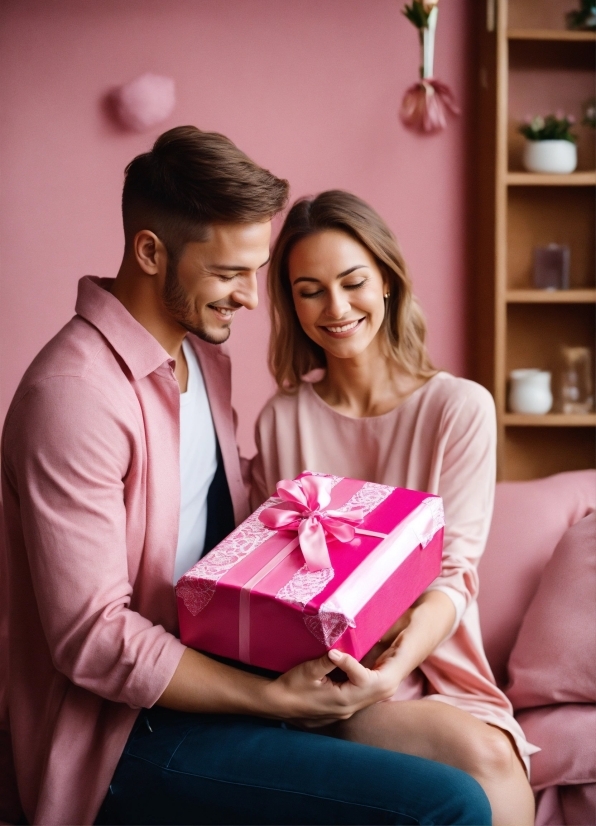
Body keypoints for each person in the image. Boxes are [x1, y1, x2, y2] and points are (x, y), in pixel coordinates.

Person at [0, 128, 492, 826]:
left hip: (229, 682)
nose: (254, 300)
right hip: (125, 733)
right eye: (230, 273)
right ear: (149, 251)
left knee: (467, 767)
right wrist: (272, 699)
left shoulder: (205, 363)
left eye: (258, 272)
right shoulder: (75, 395)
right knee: (448, 805)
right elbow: (93, 638)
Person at [251, 190, 538, 826]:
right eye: (310, 290)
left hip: (433, 664)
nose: (336, 308)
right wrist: (352, 683)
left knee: (491, 754)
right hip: (327, 676)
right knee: (479, 760)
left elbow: (454, 573)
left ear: (386, 281)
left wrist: (392, 672)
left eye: (353, 282)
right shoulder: (282, 421)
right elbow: (275, 578)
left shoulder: (458, 409)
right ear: (290, 304)